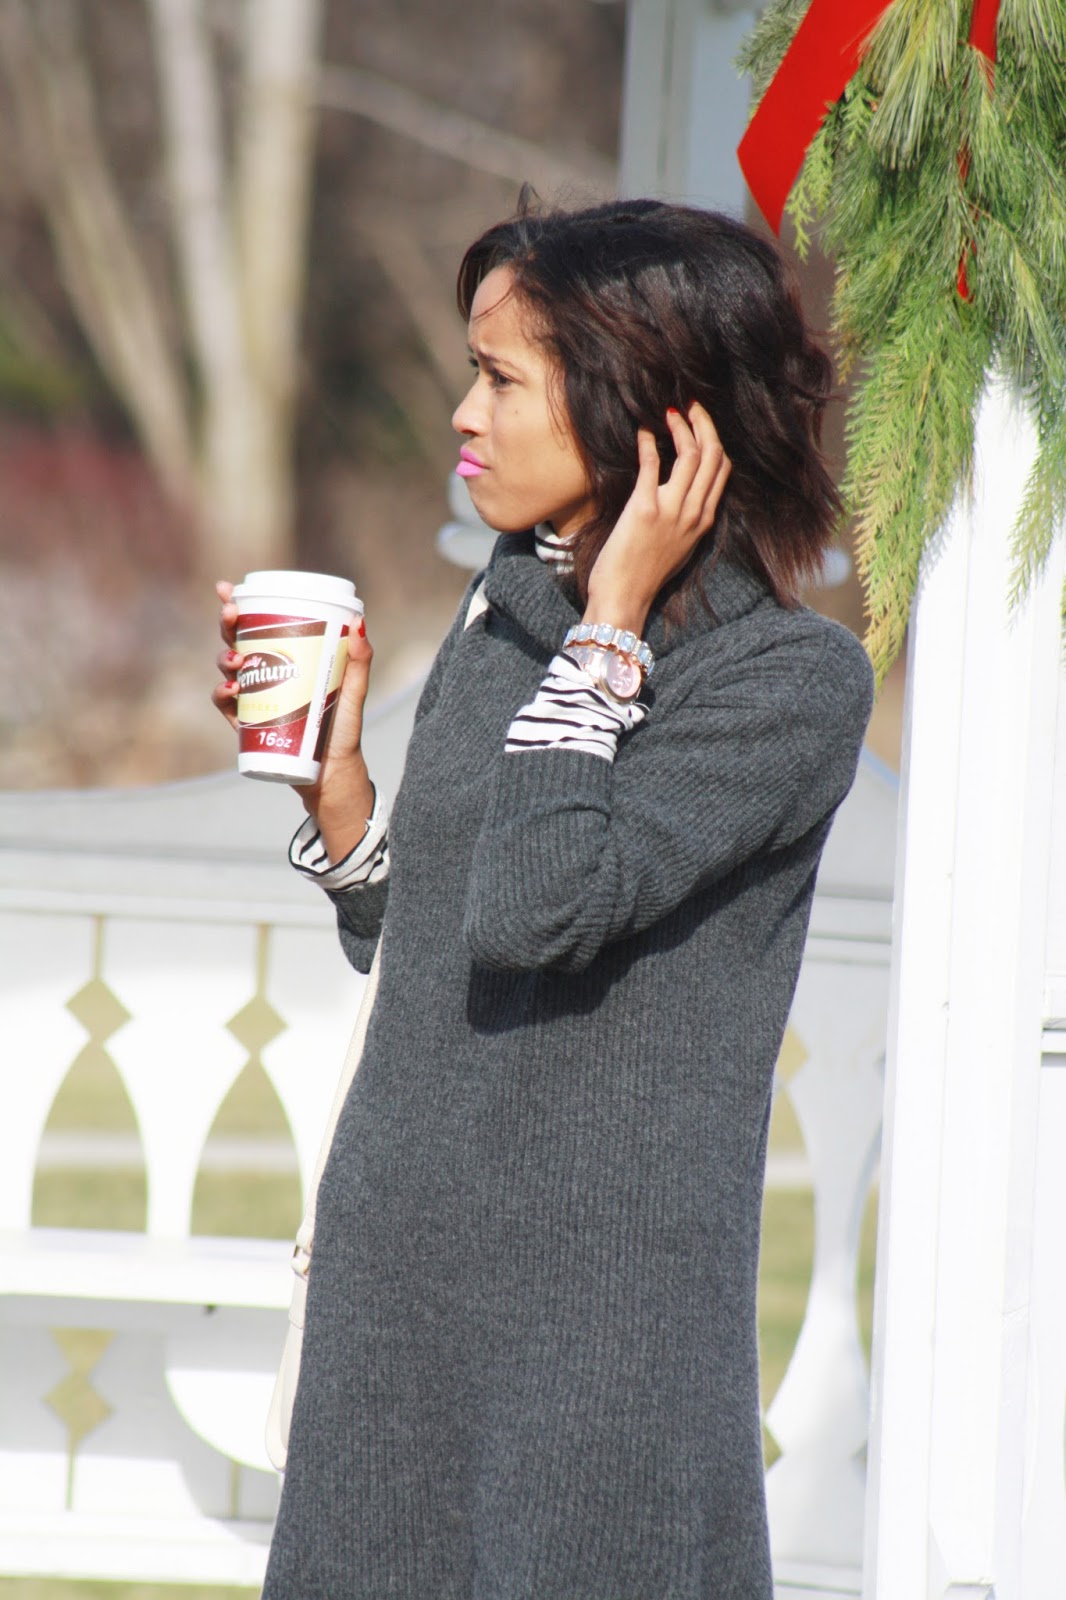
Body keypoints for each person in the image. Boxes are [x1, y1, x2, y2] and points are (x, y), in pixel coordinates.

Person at [213, 195, 873, 1600]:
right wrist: (345, 812)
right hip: (398, 1287)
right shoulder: (509, 611)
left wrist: (612, 630)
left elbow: (539, 904)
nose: (463, 414)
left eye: (502, 379)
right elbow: (456, 952)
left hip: (598, 1332)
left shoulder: (788, 685)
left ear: (648, 413)